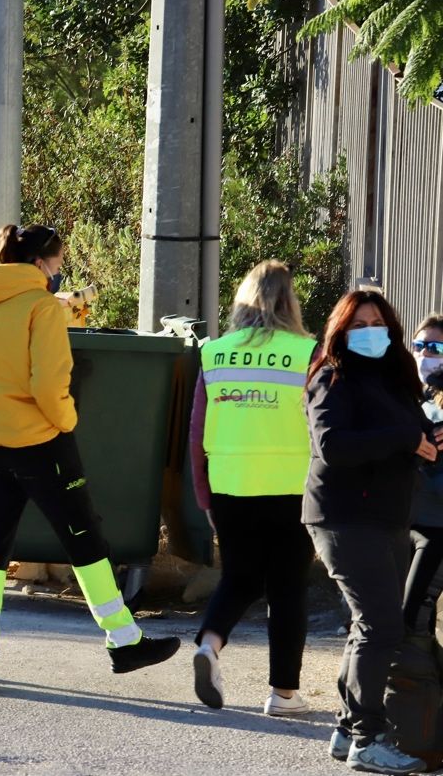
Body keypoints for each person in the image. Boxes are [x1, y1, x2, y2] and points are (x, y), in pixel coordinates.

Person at [0, 223, 181, 695]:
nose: (60, 270)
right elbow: (49, 386)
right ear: (42, 262)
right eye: (59, 261)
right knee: (85, 540)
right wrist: (65, 421)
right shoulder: (41, 307)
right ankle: (124, 640)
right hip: (43, 444)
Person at [304, 290, 433, 775]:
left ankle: (346, 729)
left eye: (377, 321)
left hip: (390, 517)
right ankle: (367, 738)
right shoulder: (330, 378)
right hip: (343, 518)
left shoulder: (395, 378)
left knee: (372, 627)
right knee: (380, 627)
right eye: (359, 324)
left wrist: (427, 439)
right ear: (341, 330)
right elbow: (332, 446)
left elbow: (415, 435)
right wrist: (403, 438)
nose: (370, 330)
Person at [187, 260, 318, 716]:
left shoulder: (214, 353)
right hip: (293, 489)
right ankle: (283, 694)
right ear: (290, 302)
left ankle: (209, 644)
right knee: (288, 589)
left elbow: (196, 432)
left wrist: (204, 495)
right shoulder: (308, 353)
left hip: (230, 486)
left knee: (239, 578)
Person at [406, 316, 443, 637]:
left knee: (414, 614)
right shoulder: (406, 394)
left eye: (435, 347)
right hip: (403, 521)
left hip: (437, 529)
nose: (424, 354)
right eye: (419, 346)